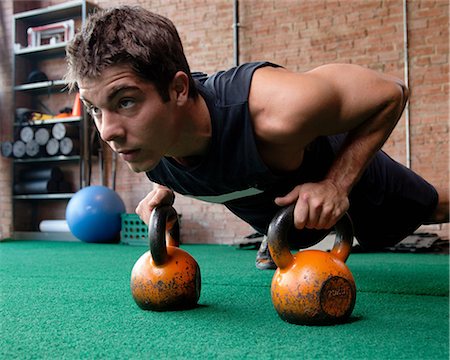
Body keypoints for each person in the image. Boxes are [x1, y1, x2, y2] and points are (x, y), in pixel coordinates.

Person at [65, 5, 448, 269]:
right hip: (285, 217)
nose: (109, 132)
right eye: (95, 108)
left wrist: (336, 184)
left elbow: (391, 92)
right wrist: (166, 187)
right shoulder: (148, 143)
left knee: (435, 208)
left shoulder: (277, 112)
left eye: (126, 101)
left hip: (355, 187)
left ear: (178, 90)